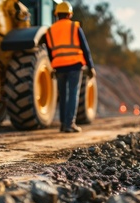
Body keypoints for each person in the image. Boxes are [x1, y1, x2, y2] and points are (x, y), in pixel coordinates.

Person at [45, 1, 95, 133]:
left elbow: (50, 52)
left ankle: (63, 124)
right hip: (74, 65)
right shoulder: (75, 27)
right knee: (73, 94)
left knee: (62, 95)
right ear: (70, 14)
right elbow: (85, 48)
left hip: (59, 67)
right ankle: (70, 124)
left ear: (56, 14)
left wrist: (52, 66)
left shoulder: (50, 30)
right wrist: (91, 66)